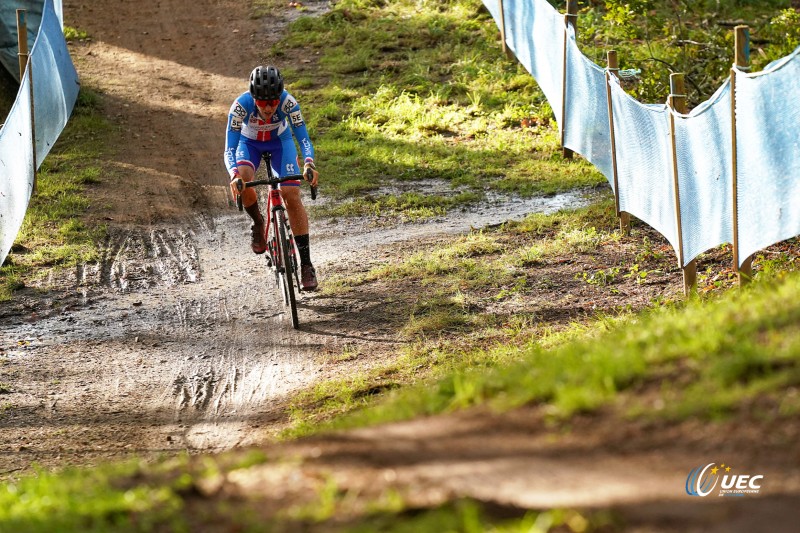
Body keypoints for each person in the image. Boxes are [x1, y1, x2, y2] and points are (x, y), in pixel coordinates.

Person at [224, 65, 319, 291]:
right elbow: (230, 147)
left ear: (280, 97)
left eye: (273, 101)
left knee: (291, 195)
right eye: (263, 102)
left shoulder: (289, 103)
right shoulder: (240, 107)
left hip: (280, 142)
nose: (269, 107)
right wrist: (234, 174)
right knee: (244, 180)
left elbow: (303, 139)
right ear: (253, 98)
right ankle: (258, 222)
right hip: (249, 144)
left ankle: (306, 264)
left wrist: (309, 162)